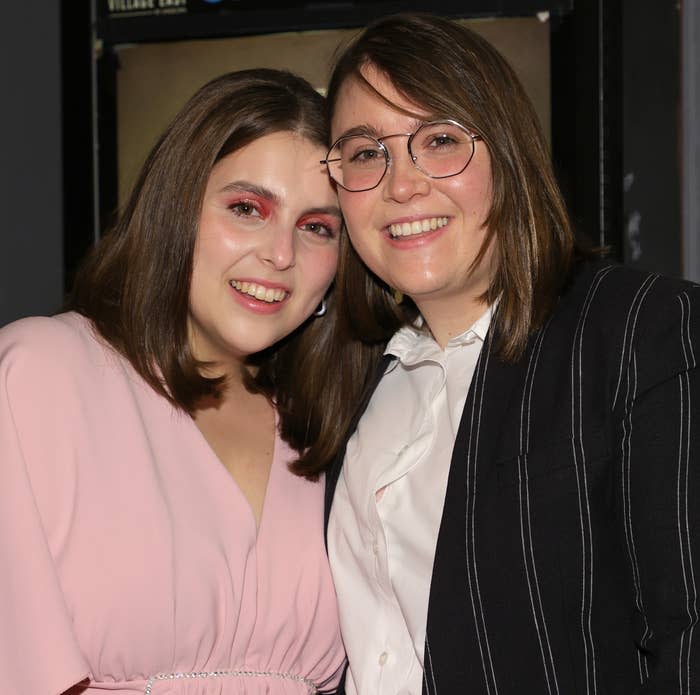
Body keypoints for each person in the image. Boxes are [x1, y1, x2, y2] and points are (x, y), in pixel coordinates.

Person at [322, 12, 700, 695]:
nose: (401, 185)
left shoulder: (636, 330)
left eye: (438, 140)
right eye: (365, 152)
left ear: (510, 154)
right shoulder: (347, 382)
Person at [0, 68, 348, 695]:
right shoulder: (38, 375)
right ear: (175, 210)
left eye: (317, 226)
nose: (280, 254)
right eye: (248, 209)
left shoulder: (335, 427)